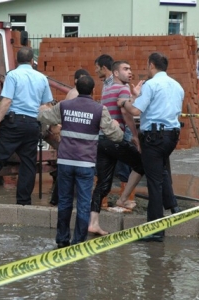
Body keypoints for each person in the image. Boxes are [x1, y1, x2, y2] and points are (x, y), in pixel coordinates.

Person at [38, 75, 123, 248]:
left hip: (65, 162)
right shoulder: (99, 109)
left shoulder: (64, 106)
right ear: (93, 91)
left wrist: (45, 112)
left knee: (65, 201)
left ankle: (62, 240)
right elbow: (115, 136)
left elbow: (43, 118)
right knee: (84, 203)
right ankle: (78, 242)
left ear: (76, 88)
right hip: (85, 164)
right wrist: (116, 127)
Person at [0, 47, 53, 205]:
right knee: (28, 163)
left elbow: (6, 101)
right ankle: (24, 201)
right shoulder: (42, 78)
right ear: (32, 61)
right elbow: (46, 105)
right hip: (33, 124)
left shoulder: (13, 75)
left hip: (14, 123)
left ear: (17, 61)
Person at [119, 52, 184, 242]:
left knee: (154, 183)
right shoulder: (177, 85)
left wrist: (124, 102)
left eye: (147, 65)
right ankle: (172, 204)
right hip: (171, 136)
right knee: (160, 171)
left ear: (151, 65)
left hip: (154, 137)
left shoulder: (151, 84)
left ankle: (155, 230)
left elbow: (136, 110)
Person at [89, 60, 145, 236]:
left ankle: (93, 222)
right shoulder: (122, 89)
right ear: (115, 73)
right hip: (115, 139)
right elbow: (126, 114)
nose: (130, 72)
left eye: (130, 68)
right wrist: (135, 136)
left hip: (103, 140)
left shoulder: (107, 89)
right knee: (141, 165)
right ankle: (123, 199)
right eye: (125, 69)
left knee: (103, 184)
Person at [48, 68, 90, 206]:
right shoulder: (75, 94)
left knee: (66, 170)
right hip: (73, 139)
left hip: (70, 138)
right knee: (69, 170)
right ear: (76, 81)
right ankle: (60, 199)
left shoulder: (74, 93)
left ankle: (57, 199)